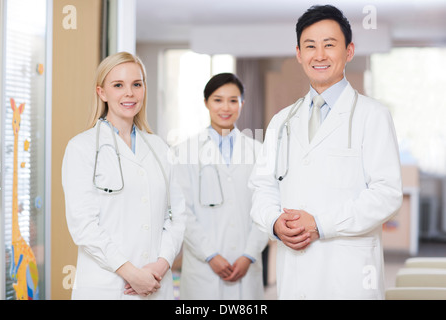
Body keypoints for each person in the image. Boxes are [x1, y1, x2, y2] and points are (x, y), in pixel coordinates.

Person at [249, 5, 403, 299]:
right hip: (295, 275)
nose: (319, 55)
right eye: (310, 46)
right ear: (298, 54)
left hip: (349, 277)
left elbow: (387, 195)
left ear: (349, 51)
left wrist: (321, 224)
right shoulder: (282, 121)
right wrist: (273, 221)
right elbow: (262, 187)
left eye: (329, 45)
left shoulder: (372, 116)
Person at [62, 52, 186, 300]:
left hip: (155, 282)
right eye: (118, 85)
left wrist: (161, 265)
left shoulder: (159, 148)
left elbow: (177, 215)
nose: (129, 93)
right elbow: (84, 226)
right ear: (102, 93)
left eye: (136, 84)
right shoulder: (82, 148)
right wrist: (131, 273)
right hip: (107, 285)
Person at [172, 73, 268, 299]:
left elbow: (265, 208)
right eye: (218, 99)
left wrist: (249, 255)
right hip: (203, 269)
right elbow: (182, 210)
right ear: (206, 102)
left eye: (233, 100)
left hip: (247, 266)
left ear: (242, 104)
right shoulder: (184, 152)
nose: (226, 107)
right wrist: (211, 255)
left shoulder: (258, 151)